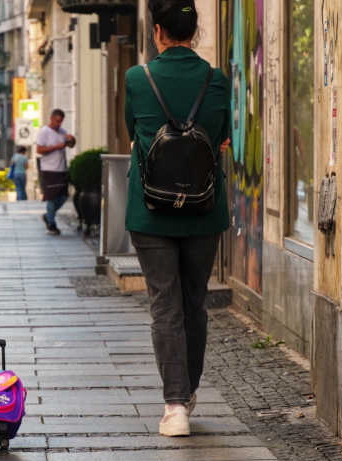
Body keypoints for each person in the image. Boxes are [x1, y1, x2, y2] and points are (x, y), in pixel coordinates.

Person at [125, 0, 230, 437]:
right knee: (194, 301)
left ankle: (175, 407)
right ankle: (188, 392)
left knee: (164, 304)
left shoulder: (137, 78)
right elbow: (222, 137)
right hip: (204, 208)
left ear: (157, 31)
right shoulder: (216, 79)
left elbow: (134, 133)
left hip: (150, 211)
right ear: (194, 30)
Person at [36, 109, 75, 234]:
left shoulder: (62, 131)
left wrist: (71, 139)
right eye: (57, 121)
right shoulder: (44, 131)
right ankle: (51, 223)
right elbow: (39, 149)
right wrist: (55, 147)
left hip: (61, 168)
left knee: (63, 196)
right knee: (52, 197)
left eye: (61, 121)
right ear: (51, 118)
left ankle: (48, 215)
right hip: (49, 169)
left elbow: (71, 145)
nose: (59, 124)